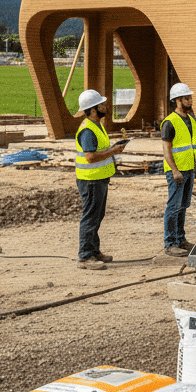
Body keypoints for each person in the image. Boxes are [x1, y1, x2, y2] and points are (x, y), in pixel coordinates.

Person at [74, 89, 127, 270]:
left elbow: (98, 152)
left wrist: (112, 149)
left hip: (99, 178)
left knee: (97, 215)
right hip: (91, 180)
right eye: (102, 105)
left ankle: (94, 250)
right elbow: (90, 157)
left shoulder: (97, 125)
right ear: (93, 109)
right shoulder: (88, 130)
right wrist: (113, 151)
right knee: (90, 217)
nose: (105, 107)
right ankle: (85, 256)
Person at [162, 83, 196, 257]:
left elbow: (191, 147)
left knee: (183, 206)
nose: (190, 100)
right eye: (186, 98)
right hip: (176, 172)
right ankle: (170, 243)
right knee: (173, 207)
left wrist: (195, 165)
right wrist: (174, 170)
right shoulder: (169, 122)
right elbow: (167, 149)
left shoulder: (191, 120)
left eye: (190, 97)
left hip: (188, 170)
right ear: (177, 100)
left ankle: (180, 239)